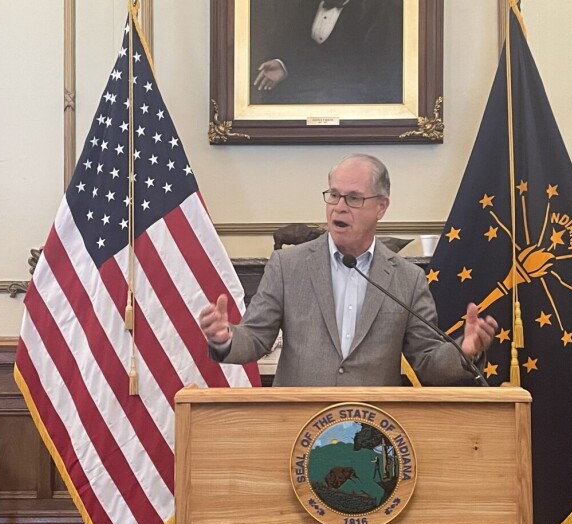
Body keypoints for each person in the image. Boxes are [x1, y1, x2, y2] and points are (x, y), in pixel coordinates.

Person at [199, 154, 498, 387]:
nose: (339, 207)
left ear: (381, 207)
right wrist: (225, 337)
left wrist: (465, 350)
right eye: (333, 195)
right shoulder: (288, 266)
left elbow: (428, 361)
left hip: (372, 434)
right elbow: (255, 337)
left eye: (354, 198)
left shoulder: (407, 279)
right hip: (297, 427)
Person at [251, 0, 403, 105]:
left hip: (352, 104)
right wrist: (283, 65)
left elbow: (375, 73)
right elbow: (293, 44)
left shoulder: (381, 11)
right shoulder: (305, 7)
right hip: (301, 105)